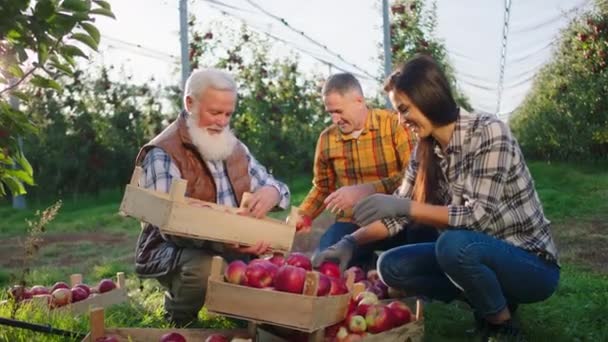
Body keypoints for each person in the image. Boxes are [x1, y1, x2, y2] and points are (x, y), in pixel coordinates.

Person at [313, 55, 559, 340]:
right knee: (391, 266)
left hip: (530, 265)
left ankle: (501, 325)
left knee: (453, 244)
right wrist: (349, 242)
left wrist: (407, 206)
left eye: (404, 109)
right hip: (474, 252)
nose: (401, 121)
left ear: (428, 98)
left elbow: (476, 217)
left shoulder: (489, 132)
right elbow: (396, 216)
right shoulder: (424, 150)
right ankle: (489, 297)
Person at [132, 68, 290, 326]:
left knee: (274, 274)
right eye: (215, 112)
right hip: (177, 252)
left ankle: (242, 312)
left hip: (232, 246)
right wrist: (229, 242)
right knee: (205, 266)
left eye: (228, 114)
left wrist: (272, 192)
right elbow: (171, 226)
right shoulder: (163, 152)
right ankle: (179, 315)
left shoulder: (233, 147)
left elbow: (277, 187)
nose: (222, 121)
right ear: (190, 103)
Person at [295, 72, 437, 271]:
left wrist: (369, 189)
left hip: (398, 219)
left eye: (339, 111)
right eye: (330, 113)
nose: (335, 119)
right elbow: (322, 187)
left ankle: (424, 286)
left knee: (420, 240)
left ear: (359, 101)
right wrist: (303, 215)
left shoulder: (394, 125)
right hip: (353, 223)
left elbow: (415, 175)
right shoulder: (327, 139)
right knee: (326, 263)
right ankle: (362, 265)